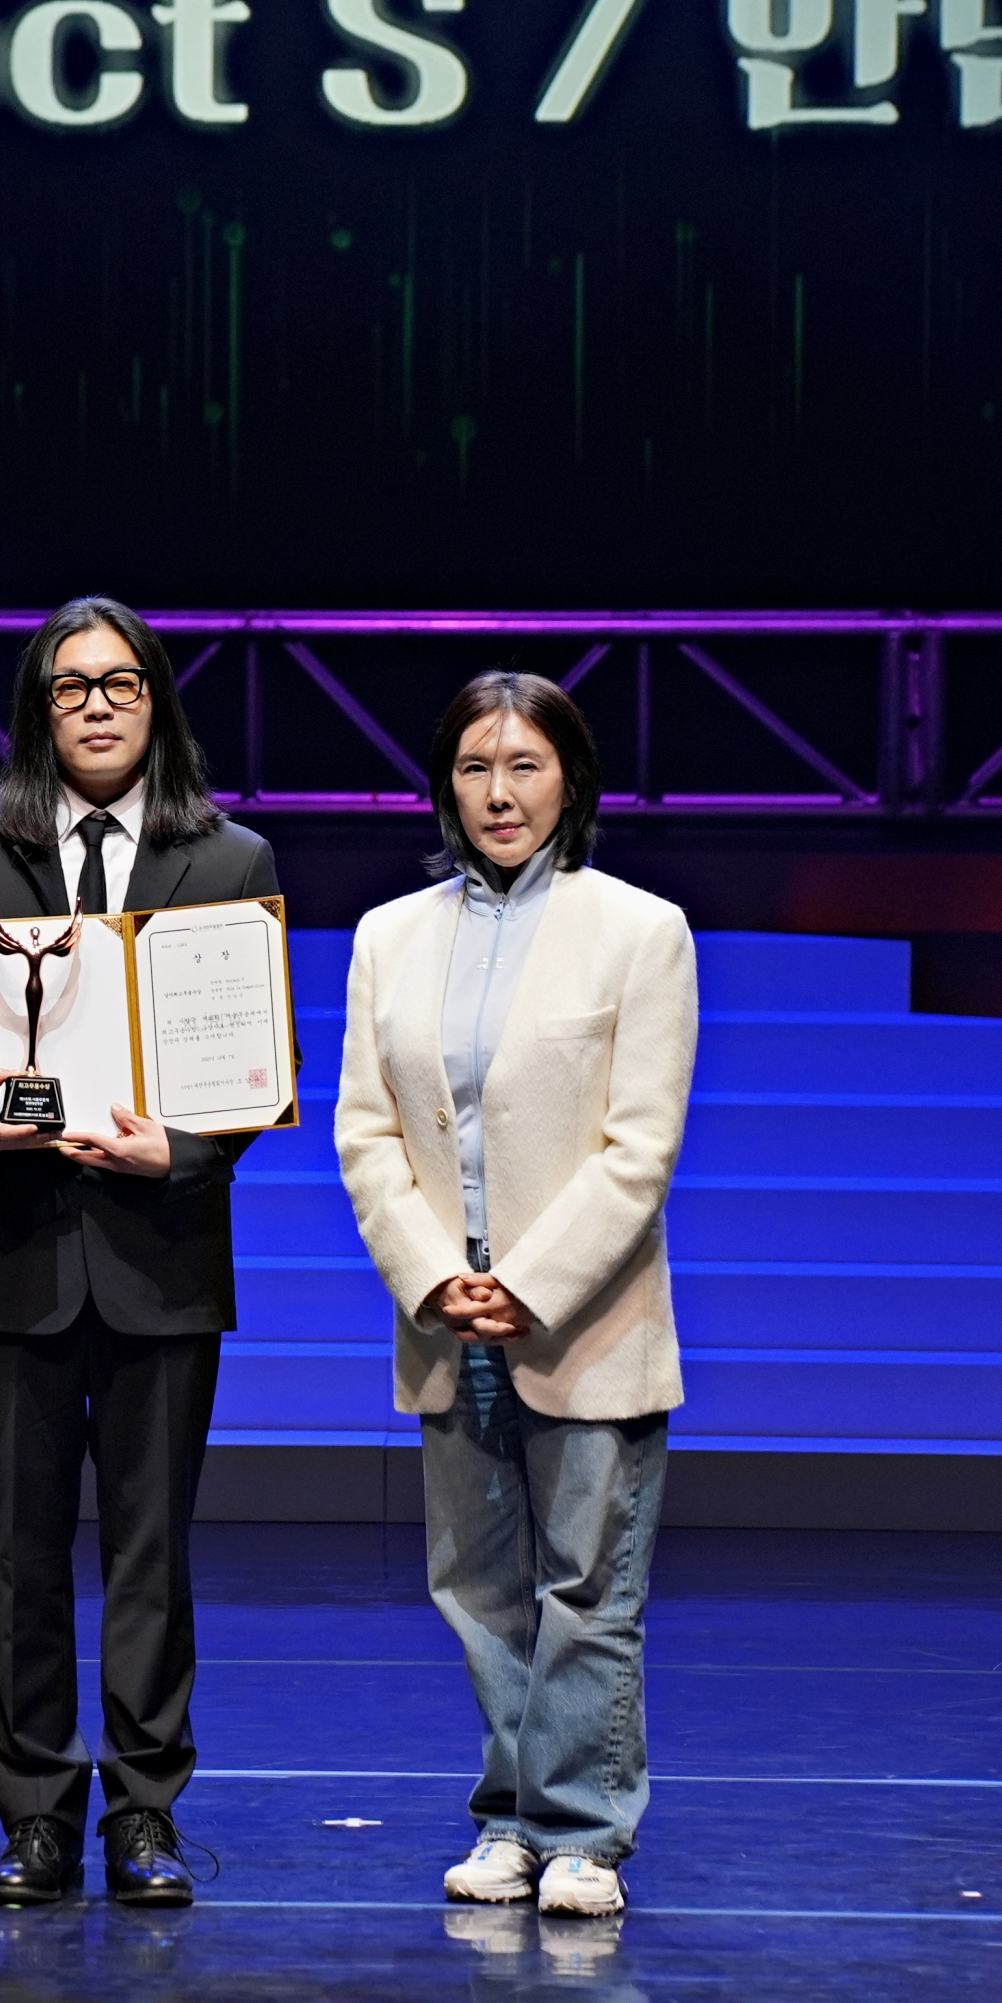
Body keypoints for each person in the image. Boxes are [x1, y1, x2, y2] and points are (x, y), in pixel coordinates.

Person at [0, 596, 284, 1910]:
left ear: (157, 702)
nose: (97, 705)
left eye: (121, 683)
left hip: (164, 1257)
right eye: (70, 686)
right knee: (21, 1559)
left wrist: (187, 1149)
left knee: (154, 1555)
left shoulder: (229, 858)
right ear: (37, 710)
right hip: (14, 1255)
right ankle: (38, 1815)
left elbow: (251, 1070)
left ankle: (145, 1812)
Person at [331, 671, 697, 1921]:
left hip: (582, 1316)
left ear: (570, 779)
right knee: (480, 1589)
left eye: (525, 764)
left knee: (587, 1586)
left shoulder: (639, 929)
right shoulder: (391, 934)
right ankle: (510, 1816)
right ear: (446, 784)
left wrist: (530, 1284)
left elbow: (639, 1145)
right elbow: (368, 1130)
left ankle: (583, 1830)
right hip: (448, 1314)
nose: (499, 791)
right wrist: (437, 1274)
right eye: (475, 766)